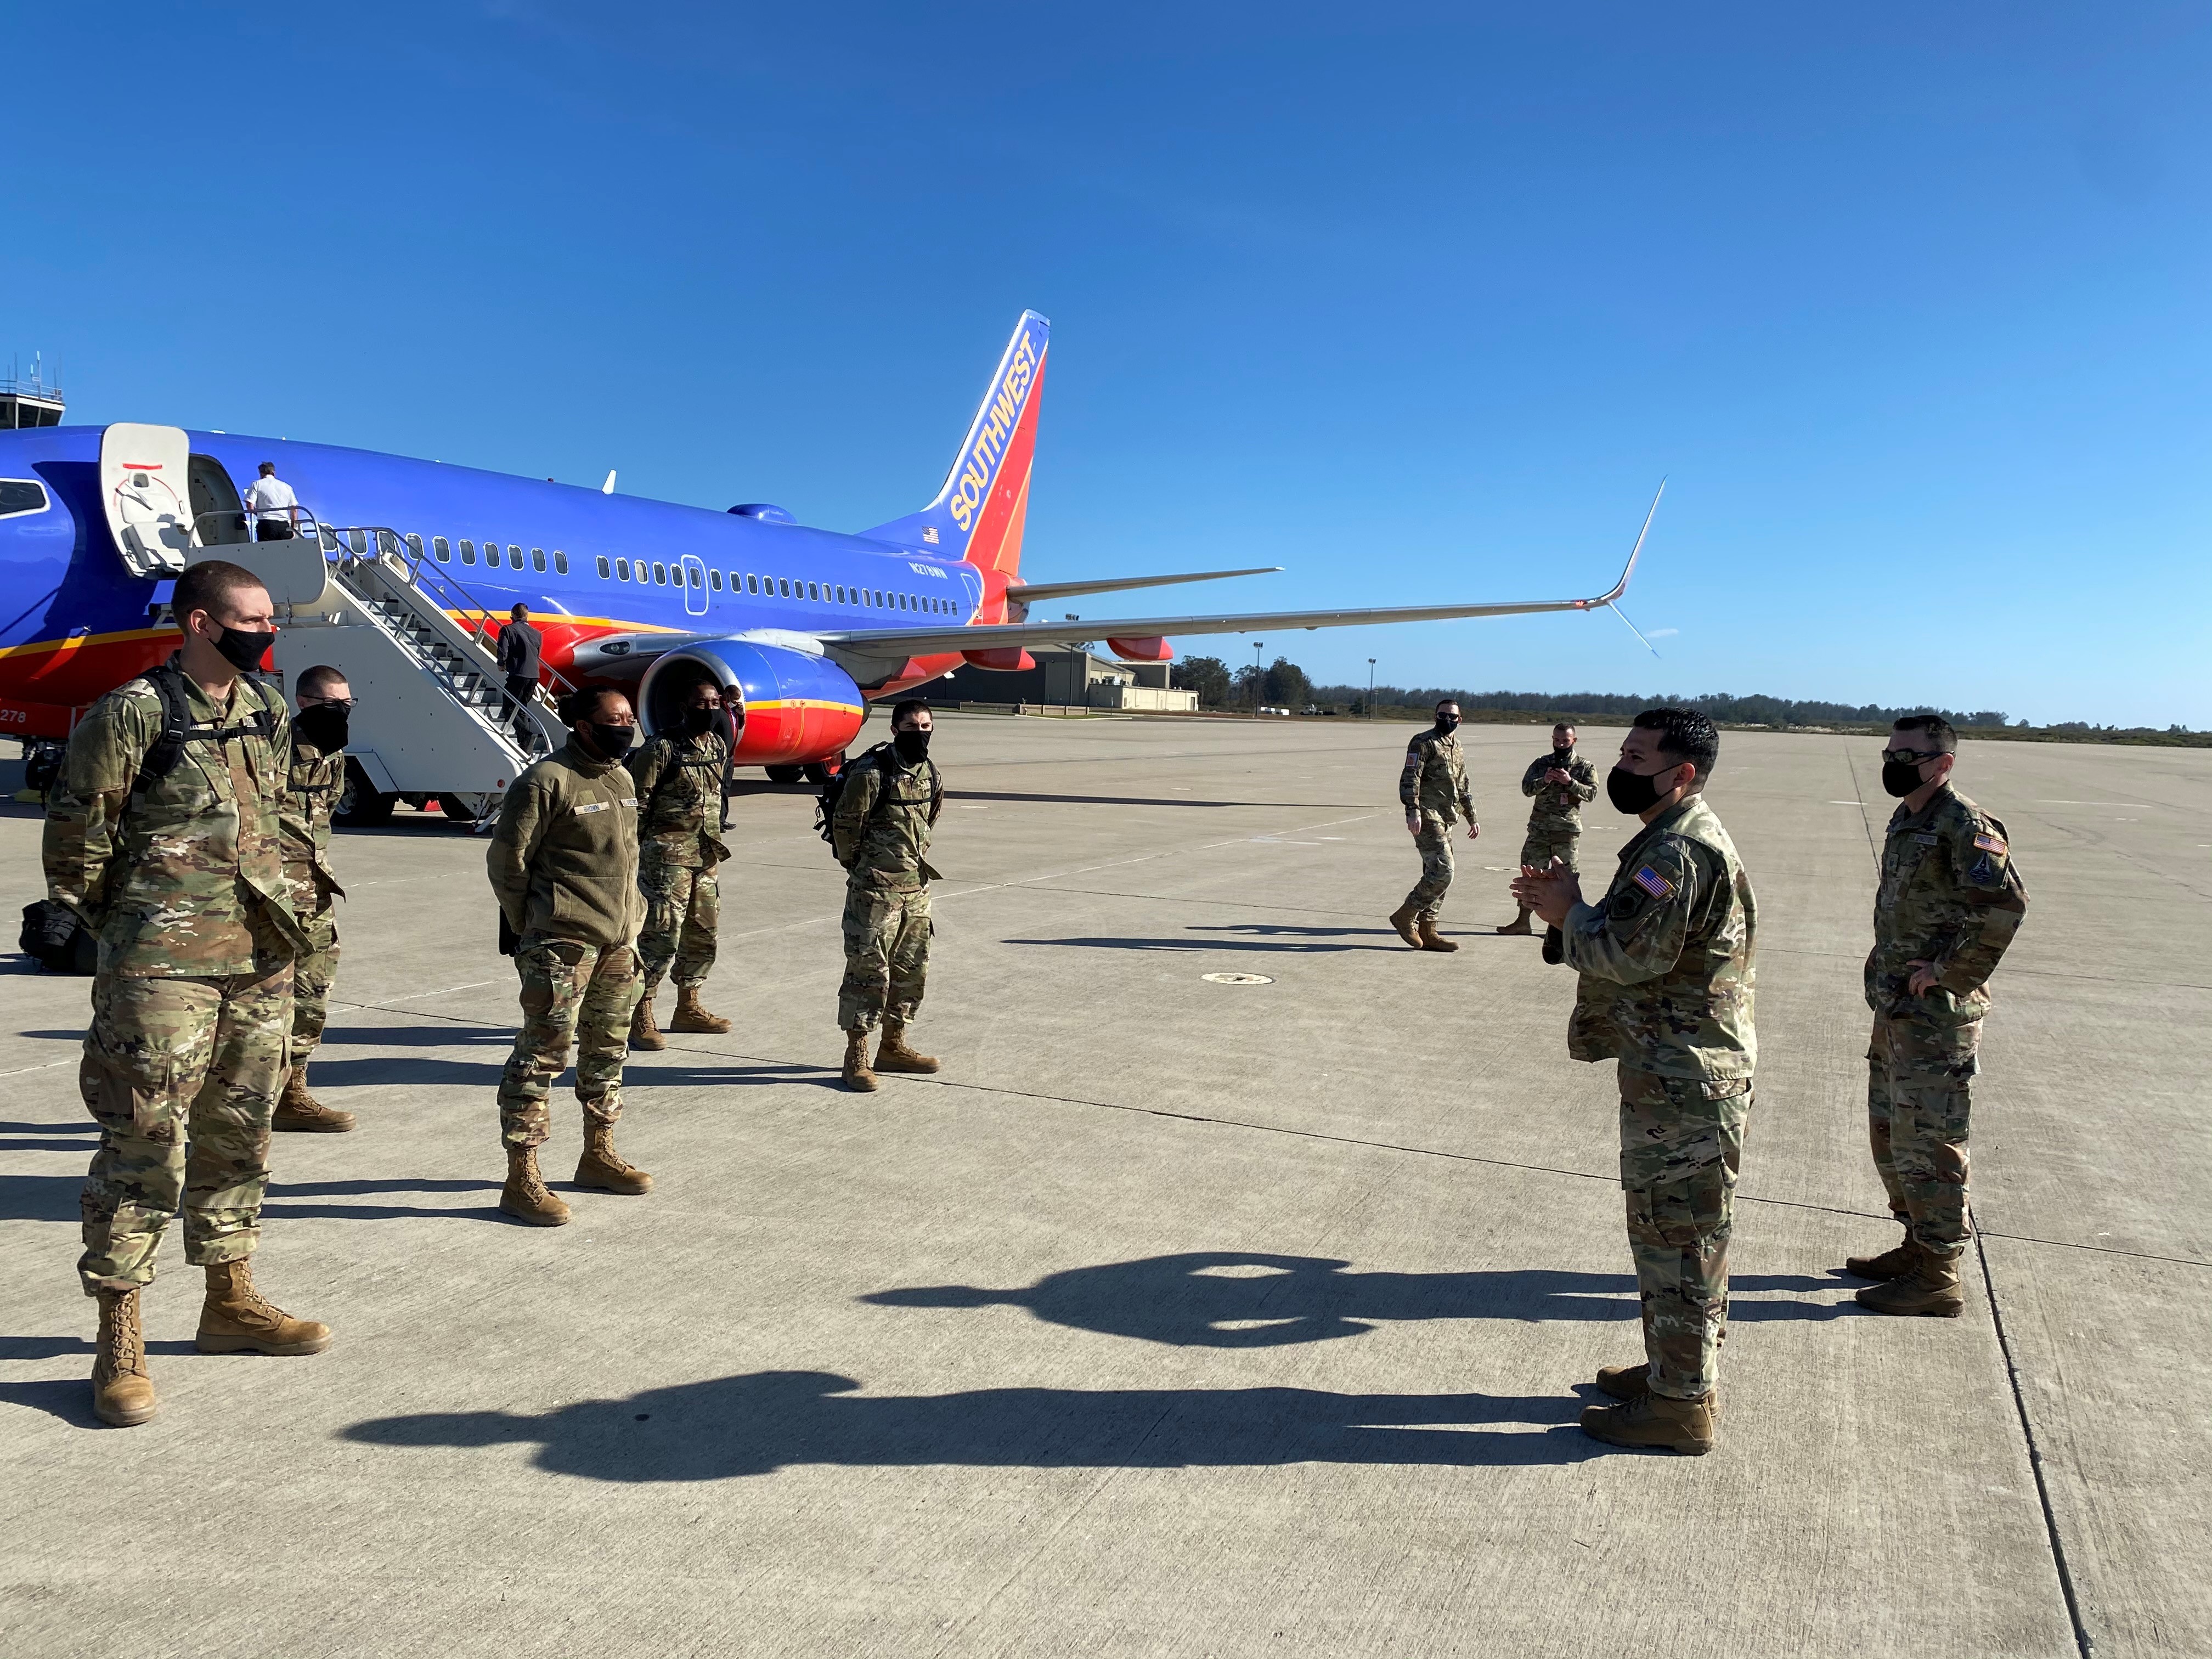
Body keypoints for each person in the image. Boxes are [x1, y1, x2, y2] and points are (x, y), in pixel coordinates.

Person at [43, 558, 329, 1428]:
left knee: (241, 1133)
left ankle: (228, 1301)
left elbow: (280, 818)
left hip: (259, 954)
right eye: (251, 618)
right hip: (161, 967)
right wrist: (134, 933)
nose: (266, 630)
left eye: (270, 617)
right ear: (201, 624)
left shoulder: (267, 710)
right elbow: (76, 845)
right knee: (144, 1145)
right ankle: (119, 1335)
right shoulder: (131, 713)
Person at [1511, 707, 1754, 1455]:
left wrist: (1567, 912)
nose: (1621, 766)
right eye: (1621, 750)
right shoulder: (1669, 838)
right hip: (1680, 1072)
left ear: (1681, 772)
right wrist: (1570, 912)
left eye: (1638, 755)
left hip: (1684, 1080)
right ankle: (1677, 1374)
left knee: (1676, 1239)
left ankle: (1679, 1407)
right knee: (1680, 1236)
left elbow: (1629, 956)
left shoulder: (1678, 852)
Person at [1845, 716, 2028, 1316]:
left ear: (1943, 763)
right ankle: (1916, 1244)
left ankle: (1940, 1273)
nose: (1896, 761)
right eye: (1892, 750)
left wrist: (1947, 973)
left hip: (1936, 1014)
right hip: (1897, 1005)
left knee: (1933, 1141)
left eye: (1910, 754)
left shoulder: (1965, 824)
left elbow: (2005, 907)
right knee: (1892, 1135)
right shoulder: (1909, 815)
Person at [484, 685, 651, 1226]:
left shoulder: (622, 777)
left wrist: (635, 919)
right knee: (543, 1056)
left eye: (629, 718)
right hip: (562, 943)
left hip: (618, 944)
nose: (626, 726)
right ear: (582, 724)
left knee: (608, 1052)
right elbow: (509, 861)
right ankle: (522, 1177)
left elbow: (626, 858)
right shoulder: (546, 781)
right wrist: (526, 926)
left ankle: (597, 1154)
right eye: (615, 718)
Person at [832, 699, 944, 1091]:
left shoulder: (929, 772)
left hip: (916, 889)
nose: (920, 732)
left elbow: (929, 820)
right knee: (868, 974)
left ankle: (894, 1045)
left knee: (912, 972)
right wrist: (865, 870)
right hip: (875, 892)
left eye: (926, 725)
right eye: (911, 726)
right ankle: (856, 1057)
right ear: (895, 730)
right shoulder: (871, 772)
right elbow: (847, 830)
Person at [627, 681, 735, 1049]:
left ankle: (688, 1005)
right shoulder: (661, 748)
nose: (709, 708)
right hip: (666, 858)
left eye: (714, 702)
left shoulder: (716, 745)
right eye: (701, 702)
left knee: (703, 932)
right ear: (684, 705)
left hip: (705, 855)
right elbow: (637, 805)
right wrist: (633, 853)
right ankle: (641, 1010)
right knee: (660, 936)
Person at [274, 665, 357, 1132]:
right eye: (333, 705)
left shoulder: (334, 755)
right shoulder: (273, 752)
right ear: (304, 704)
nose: (342, 713)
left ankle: (292, 1094)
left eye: (348, 705)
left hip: (315, 895)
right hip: (269, 896)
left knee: (314, 994)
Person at [1388, 699, 1479, 952]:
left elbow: (1463, 784)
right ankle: (1406, 915)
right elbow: (1410, 776)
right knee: (1444, 871)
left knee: (1436, 873)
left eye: (1452, 716)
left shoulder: (1457, 746)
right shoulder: (1423, 742)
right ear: (1435, 716)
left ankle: (1429, 931)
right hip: (1427, 815)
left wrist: (1471, 815)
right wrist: (1412, 810)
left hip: (1448, 817)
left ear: (1460, 720)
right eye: (1443, 715)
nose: (1447, 720)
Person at [1498, 723, 1599, 935]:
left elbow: (1591, 794)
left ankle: (1563, 927)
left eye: (1565, 740)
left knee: (1566, 878)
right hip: (1540, 830)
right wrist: (1544, 780)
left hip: (1567, 831)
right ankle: (1523, 922)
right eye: (1557, 740)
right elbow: (1527, 789)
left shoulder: (1584, 766)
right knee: (1530, 873)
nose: (1561, 744)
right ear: (1552, 739)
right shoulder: (1542, 763)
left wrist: (1570, 782)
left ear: (1574, 741)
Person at [495, 603, 544, 743]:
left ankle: (526, 734)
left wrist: (501, 664)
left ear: (514, 616)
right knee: (521, 708)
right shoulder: (537, 634)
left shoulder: (508, 630)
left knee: (508, 708)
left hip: (518, 674)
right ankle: (524, 744)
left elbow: (503, 651)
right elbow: (538, 654)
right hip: (534, 676)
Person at [242, 461, 298, 541]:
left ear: (261, 474)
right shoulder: (287, 487)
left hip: (266, 524)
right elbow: (294, 510)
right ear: (274, 473)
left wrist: (258, 513)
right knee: (285, 551)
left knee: (266, 551)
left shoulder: (257, 484)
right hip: (284, 525)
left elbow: (249, 505)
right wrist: (293, 528)